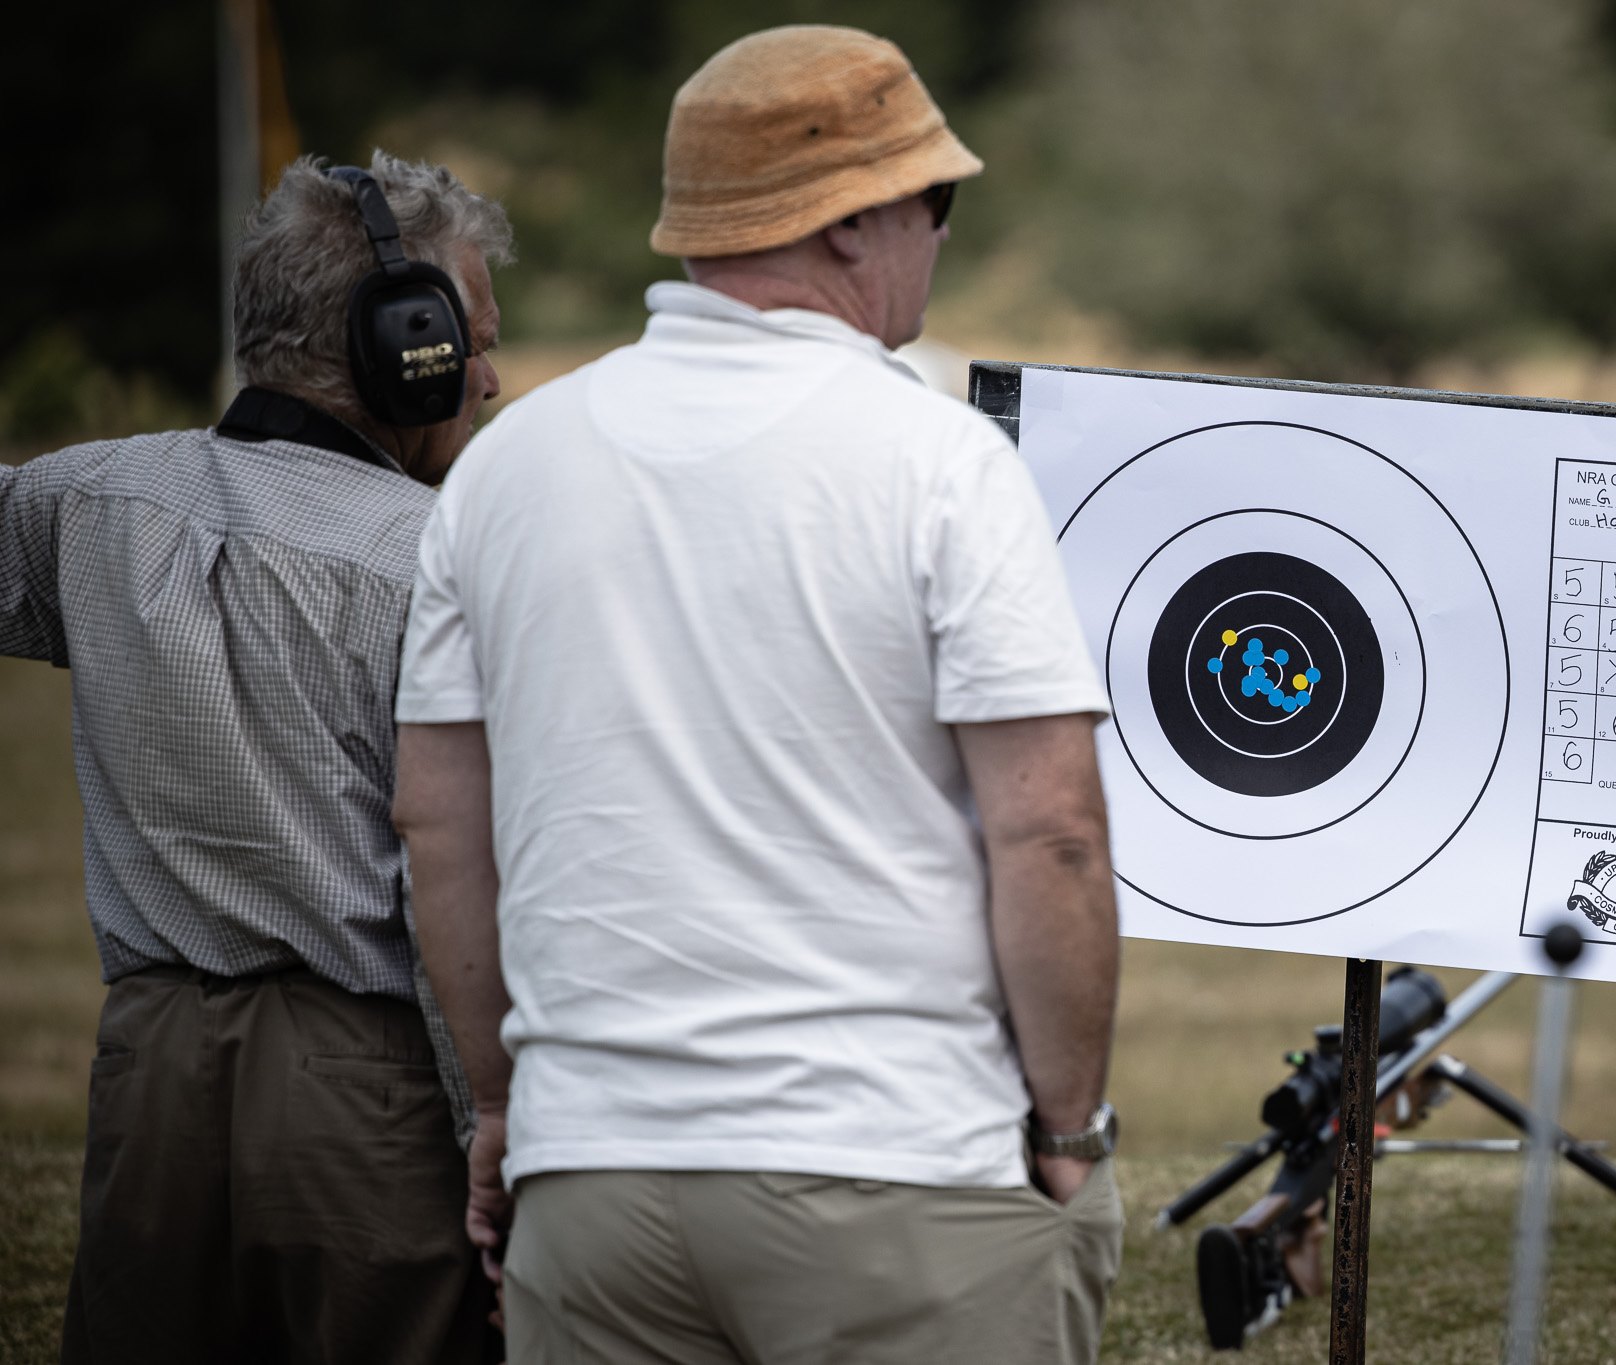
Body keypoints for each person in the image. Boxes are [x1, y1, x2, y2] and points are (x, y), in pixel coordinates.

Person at [393, 24, 1124, 1365]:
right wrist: (1070, 1125)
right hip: (897, 1165)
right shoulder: (942, 458)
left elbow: (437, 824)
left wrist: (504, 1110)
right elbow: (1053, 831)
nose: (939, 237)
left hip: (591, 1181)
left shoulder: (503, 466)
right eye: (935, 202)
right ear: (850, 222)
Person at [0, 152, 511, 1364]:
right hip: (373, 1091)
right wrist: (497, 1122)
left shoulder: (88, 498)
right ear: (400, 344)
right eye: (475, 343)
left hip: (146, 1077)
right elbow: (461, 887)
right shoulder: (447, 559)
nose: (488, 380)